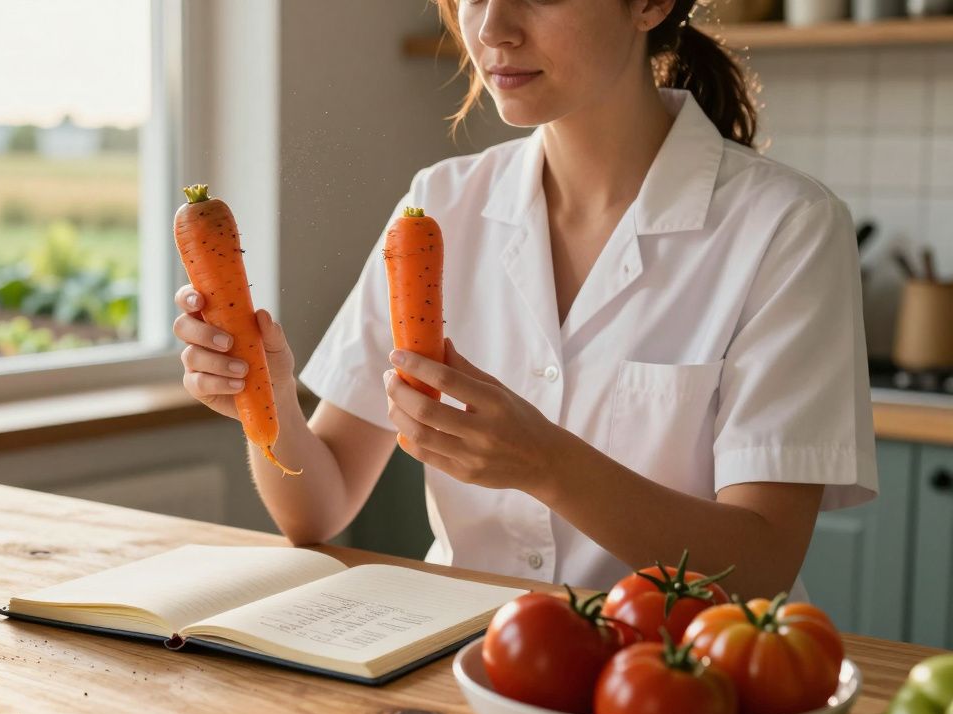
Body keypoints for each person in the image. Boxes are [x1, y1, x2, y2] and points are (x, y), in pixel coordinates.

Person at [173, 0, 876, 599]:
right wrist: (259, 392)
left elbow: (760, 567)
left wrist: (547, 463)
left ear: (650, 3)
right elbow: (315, 506)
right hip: (458, 669)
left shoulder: (787, 227)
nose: (492, 28)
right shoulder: (437, 204)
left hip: (679, 685)